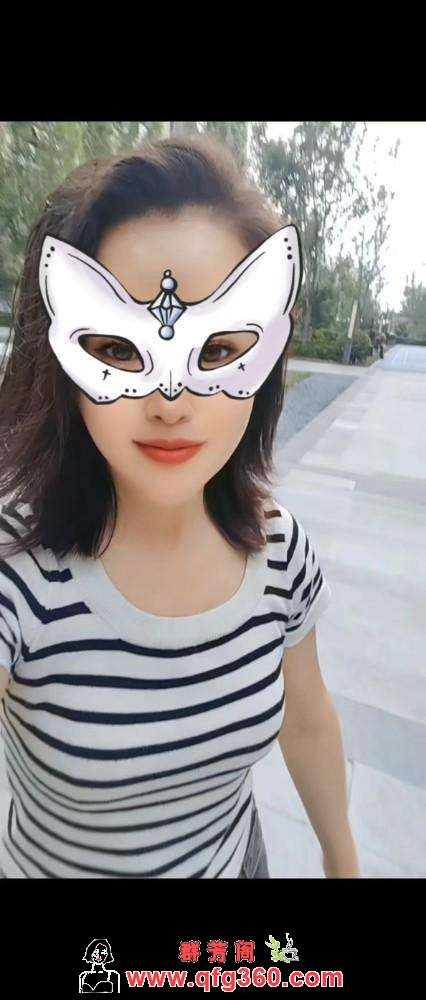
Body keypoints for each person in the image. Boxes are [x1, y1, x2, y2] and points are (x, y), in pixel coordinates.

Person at [0, 134, 359, 878]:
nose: (170, 401)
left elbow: (308, 721)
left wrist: (342, 858)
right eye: (119, 351)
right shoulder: (17, 568)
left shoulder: (279, 550)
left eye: (220, 351)